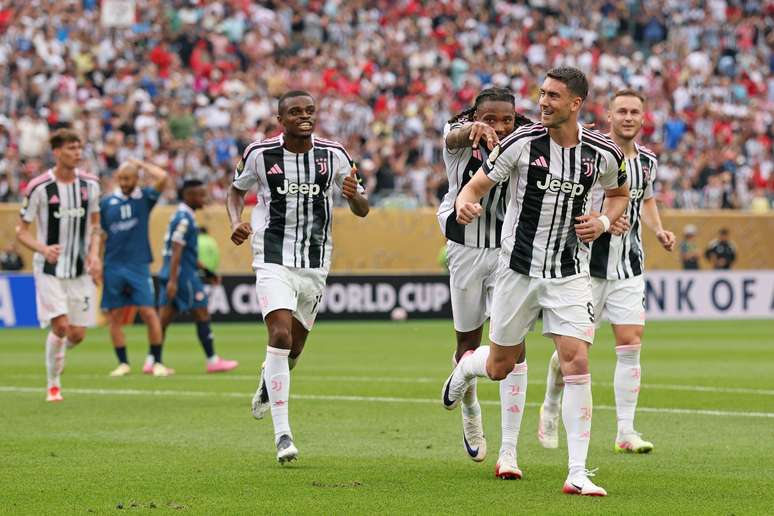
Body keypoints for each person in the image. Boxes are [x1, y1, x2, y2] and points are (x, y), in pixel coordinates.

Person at [441, 67, 630, 496]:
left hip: (569, 272)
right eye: (542, 94)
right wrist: (465, 204)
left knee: (575, 360)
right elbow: (474, 187)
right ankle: (466, 368)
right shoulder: (521, 143)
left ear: (575, 104)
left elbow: (619, 195)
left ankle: (577, 472)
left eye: (553, 96)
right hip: (517, 271)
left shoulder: (603, 152)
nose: (543, 102)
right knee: (499, 367)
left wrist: (603, 222)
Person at [226, 90, 369, 464]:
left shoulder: (334, 154)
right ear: (280, 120)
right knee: (279, 335)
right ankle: (283, 435)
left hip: (315, 263)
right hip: (272, 257)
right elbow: (235, 192)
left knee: (293, 350)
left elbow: (362, 208)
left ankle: (268, 378)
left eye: (309, 111)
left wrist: (354, 196)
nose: (304, 116)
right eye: (294, 112)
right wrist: (235, 221)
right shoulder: (259, 154)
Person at [538, 89, 676, 456]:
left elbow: (645, 199)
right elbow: (573, 200)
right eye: (622, 111)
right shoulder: (593, 153)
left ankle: (625, 432)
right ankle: (550, 403)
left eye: (634, 112)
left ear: (643, 118)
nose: (628, 117)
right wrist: (604, 220)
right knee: (574, 348)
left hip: (629, 266)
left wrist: (658, 229)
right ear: (610, 116)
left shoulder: (648, 161)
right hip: (586, 267)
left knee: (630, 343)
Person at [436, 87, 532, 474]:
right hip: (465, 249)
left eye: (506, 119)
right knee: (467, 344)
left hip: (509, 252)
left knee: (516, 347)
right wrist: (473, 129)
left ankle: (509, 450)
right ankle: (470, 410)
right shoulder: (458, 132)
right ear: (475, 115)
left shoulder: (526, 139)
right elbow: (452, 137)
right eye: (490, 118)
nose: (499, 126)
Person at [15, 129, 102, 402]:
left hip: (79, 269)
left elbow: (96, 226)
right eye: (70, 148)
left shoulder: (91, 185)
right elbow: (21, 231)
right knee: (61, 326)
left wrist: (95, 255)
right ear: (56, 152)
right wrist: (43, 248)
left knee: (77, 334)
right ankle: (53, 384)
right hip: (49, 269)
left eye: (79, 148)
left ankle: (59, 349)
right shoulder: (39, 187)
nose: (77, 153)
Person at [99, 158, 174, 377]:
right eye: (121, 178)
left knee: (149, 313)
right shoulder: (106, 203)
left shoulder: (144, 198)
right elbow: (101, 235)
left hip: (138, 264)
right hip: (112, 265)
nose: (124, 183)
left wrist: (140, 163)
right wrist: (96, 260)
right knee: (114, 316)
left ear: (136, 179)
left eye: (128, 178)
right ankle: (123, 363)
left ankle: (157, 361)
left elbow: (163, 177)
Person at [157, 179, 239, 374]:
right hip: (183, 276)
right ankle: (212, 360)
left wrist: (208, 272)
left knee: (164, 319)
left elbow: (187, 253)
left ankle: (153, 360)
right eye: (201, 195)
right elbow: (177, 250)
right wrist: (174, 280)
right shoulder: (185, 218)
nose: (205, 198)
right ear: (188, 196)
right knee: (201, 313)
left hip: (174, 272)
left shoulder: (182, 216)